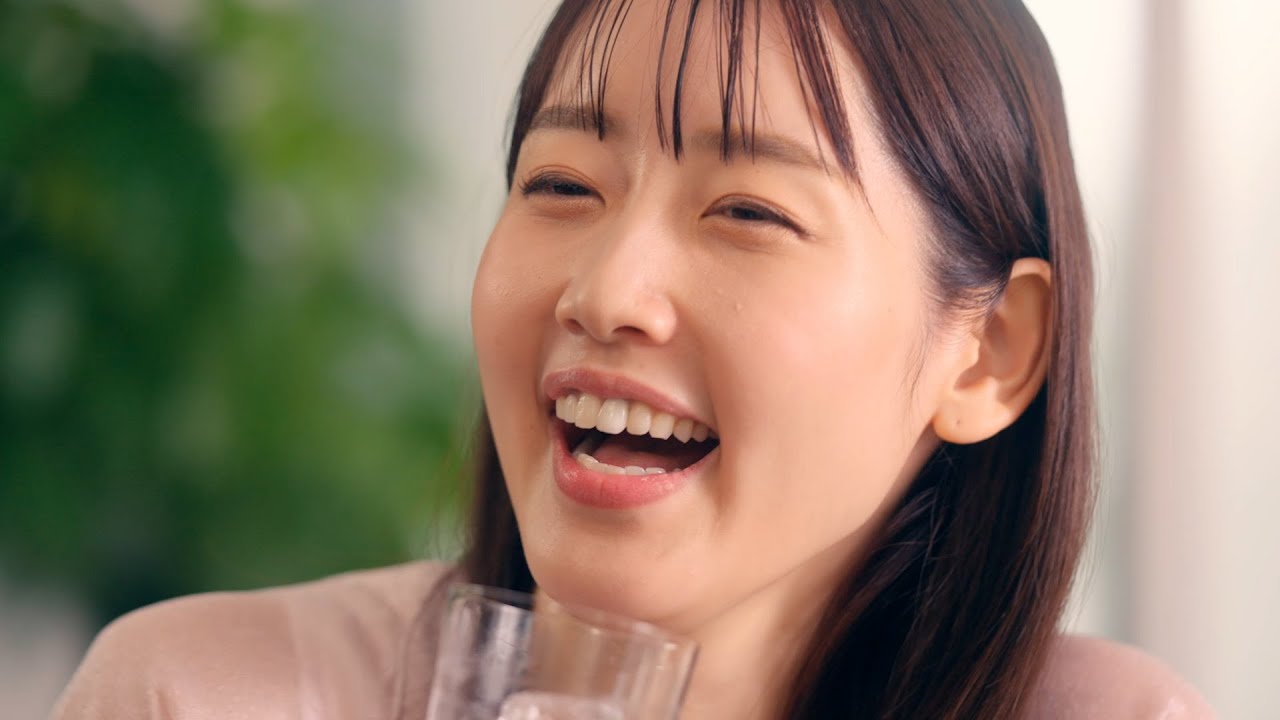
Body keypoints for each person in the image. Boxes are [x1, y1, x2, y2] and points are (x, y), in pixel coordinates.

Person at [51, 1, 1215, 718]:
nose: (605, 293)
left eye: (748, 212)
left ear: (987, 352)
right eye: (561, 185)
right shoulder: (199, 698)